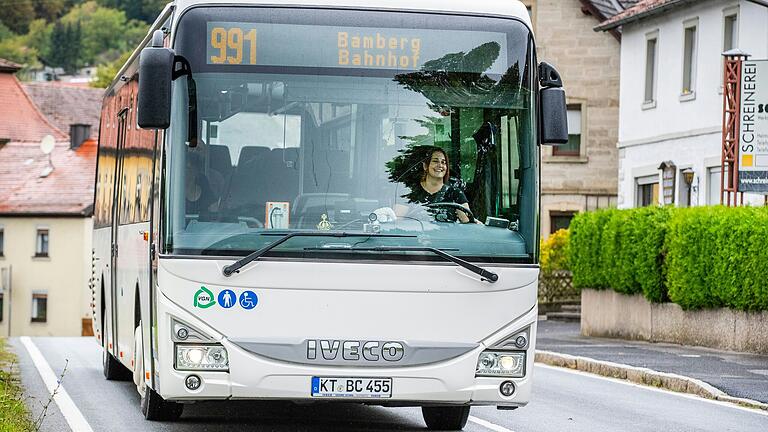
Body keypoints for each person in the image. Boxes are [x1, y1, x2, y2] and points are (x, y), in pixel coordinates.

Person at [398, 147, 473, 223]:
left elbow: (467, 222)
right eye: (435, 161)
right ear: (425, 166)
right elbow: (396, 219)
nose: (440, 165)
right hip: (416, 234)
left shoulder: (455, 193)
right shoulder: (410, 191)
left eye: (443, 162)